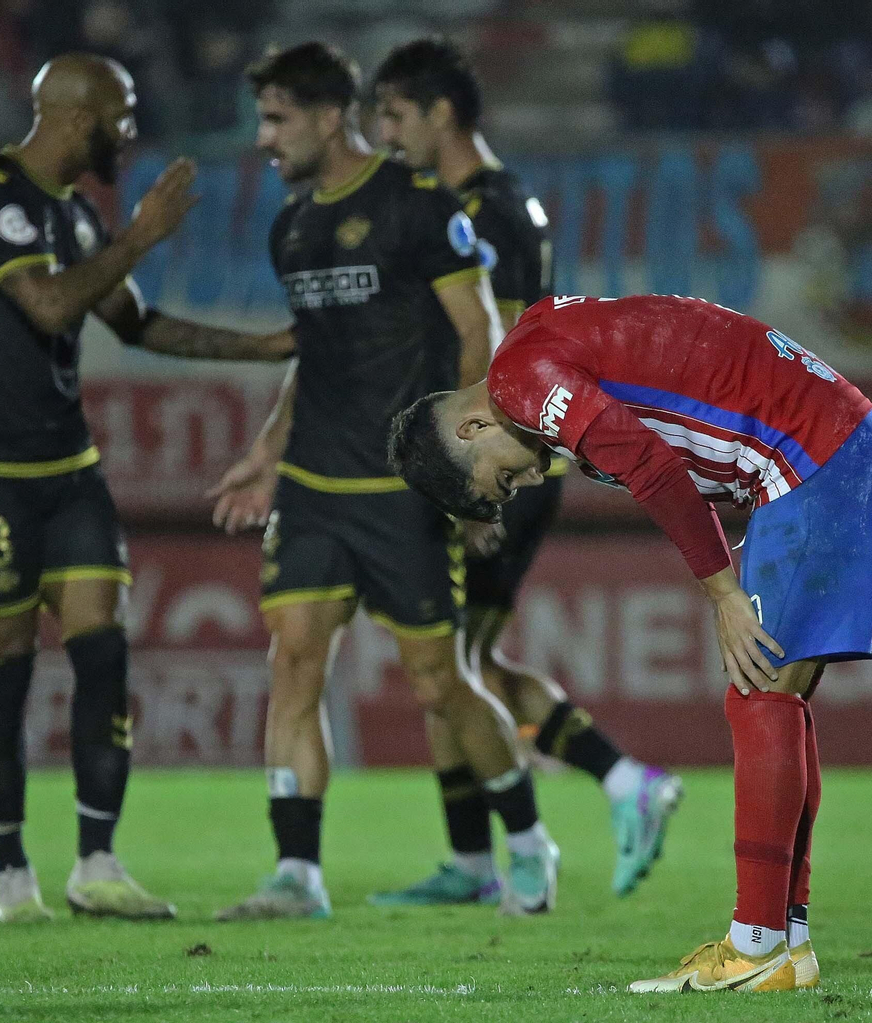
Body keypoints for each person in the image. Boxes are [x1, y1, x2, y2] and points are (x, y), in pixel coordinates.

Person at [387, 294, 872, 993]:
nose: (531, 478)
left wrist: (722, 594)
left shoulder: (521, 382)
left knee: (759, 693)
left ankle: (755, 945)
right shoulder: (531, 344)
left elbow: (652, 469)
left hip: (811, 456)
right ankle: (788, 942)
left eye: (504, 476)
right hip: (828, 446)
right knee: (776, 694)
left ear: (474, 423)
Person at [0, 52, 294, 923]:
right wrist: (141, 235)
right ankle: (13, 873)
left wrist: (268, 348)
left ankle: (96, 861)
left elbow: (138, 322)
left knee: (103, 652)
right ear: (78, 117)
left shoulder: (77, 219)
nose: (131, 132)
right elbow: (50, 308)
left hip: (68, 468)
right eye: (122, 115)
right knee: (5, 668)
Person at [203, 41, 559, 921]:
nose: (264, 138)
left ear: (332, 116)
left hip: (401, 489)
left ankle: (525, 838)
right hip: (315, 486)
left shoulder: (420, 208)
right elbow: (314, 354)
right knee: (293, 660)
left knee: (439, 681)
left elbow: (479, 335)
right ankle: (296, 872)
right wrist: (267, 445)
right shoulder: (292, 227)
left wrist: (472, 464)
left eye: (278, 118)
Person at [366, 37, 682, 907]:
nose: (386, 133)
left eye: (395, 114)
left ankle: (594, 798)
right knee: (463, 663)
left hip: (502, 464)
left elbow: (501, 350)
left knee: (455, 669)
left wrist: (478, 481)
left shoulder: (485, 210)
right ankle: (496, 846)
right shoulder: (502, 203)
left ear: (441, 114)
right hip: (504, 460)